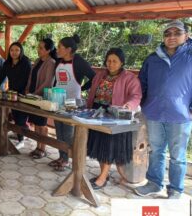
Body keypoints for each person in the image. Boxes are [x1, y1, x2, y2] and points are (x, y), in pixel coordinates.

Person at [135, 20, 192, 199]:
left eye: (177, 33)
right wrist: (141, 103)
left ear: (187, 35)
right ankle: (154, 183)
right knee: (156, 150)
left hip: (181, 114)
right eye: (168, 33)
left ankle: (175, 189)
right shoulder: (153, 58)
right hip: (154, 113)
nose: (172, 37)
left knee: (177, 156)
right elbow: (141, 83)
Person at [86, 48, 142, 189]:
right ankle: (103, 174)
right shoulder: (100, 75)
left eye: (114, 61)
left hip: (114, 116)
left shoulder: (129, 78)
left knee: (108, 147)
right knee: (98, 145)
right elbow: (92, 91)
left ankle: (103, 177)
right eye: (108, 61)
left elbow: (136, 95)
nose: (110, 64)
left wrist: (129, 105)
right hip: (97, 113)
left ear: (121, 62)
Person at [50, 35, 95, 171]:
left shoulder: (79, 61)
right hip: (58, 100)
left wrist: (82, 88)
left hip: (72, 102)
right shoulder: (59, 61)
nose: (57, 49)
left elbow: (94, 77)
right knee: (59, 130)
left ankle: (70, 159)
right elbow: (57, 80)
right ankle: (61, 157)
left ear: (68, 49)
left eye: (60, 47)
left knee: (68, 132)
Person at [0, 42, 32, 149]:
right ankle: (21, 135)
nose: (14, 52)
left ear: (21, 51)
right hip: (12, 94)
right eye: (12, 50)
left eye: (17, 50)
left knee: (21, 118)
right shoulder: (7, 63)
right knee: (15, 116)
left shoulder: (25, 62)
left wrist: (19, 93)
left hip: (23, 94)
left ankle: (21, 140)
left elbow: (25, 80)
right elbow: (0, 78)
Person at [26, 39, 56, 159]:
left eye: (41, 48)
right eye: (38, 47)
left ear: (48, 50)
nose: (38, 50)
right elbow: (31, 77)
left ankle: (42, 149)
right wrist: (28, 90)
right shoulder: (38, 60)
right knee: (36, 124)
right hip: (32, 97)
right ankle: (37, 147)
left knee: (42, 125)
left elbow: (48, 82)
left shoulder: (51, 62)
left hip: (42, 99)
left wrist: (35, 93)